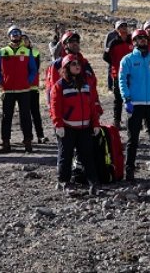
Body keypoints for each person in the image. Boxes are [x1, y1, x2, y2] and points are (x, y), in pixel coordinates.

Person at [50, 53, 101, 196]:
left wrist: (95, 123)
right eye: (73, 64)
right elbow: (54, 107)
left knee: (87, 156)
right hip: (67, 128)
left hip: (84, 128)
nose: (77, 66)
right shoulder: (59, 86)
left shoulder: (85, 84)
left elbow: (91, 106)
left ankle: (93, 183)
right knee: (65, 156)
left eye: (78, 64)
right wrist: (58, 124)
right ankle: (65, 182)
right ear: (66, 67)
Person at [118, 29, 150, 181]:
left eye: (144, 38)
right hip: (135, 104)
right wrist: (126, 99)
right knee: (132, 139)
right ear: (133, 41)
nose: (142, 40)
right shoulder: (127, 60)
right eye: (139, 38)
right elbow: (122, 80)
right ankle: (129, 169)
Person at [0, 25, 37, 154]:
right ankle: (6, 143)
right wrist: (1, 81)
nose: (15, 35)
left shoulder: (27, 51)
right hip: (8, 91)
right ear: (9, 36)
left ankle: (28, 141)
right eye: (13, 33)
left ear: (21, 36)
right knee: (6, 117)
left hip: (23, 90)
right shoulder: (2, 51)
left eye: (17, 33)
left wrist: (28, 81)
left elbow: (33, 69)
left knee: (26, 117)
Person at [104, 20, 134, 129]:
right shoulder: (113, 43)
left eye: (125, 25)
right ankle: (117, 121)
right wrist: (115, 64)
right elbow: (106, 57)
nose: (124, 28)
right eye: (121, 26)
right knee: (118, 99)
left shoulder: (132, 41)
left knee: (133, 97)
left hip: (132, 74)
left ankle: (132, 120)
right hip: (118, 74)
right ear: (117, 30)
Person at [22, 34, 47, 143]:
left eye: (26, 40)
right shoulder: (17, 53)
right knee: (24, 113)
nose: (24, 42)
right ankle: (27, 136)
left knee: (35, 112)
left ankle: (40, 135)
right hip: (22, 88)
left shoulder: (35, 52)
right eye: (22, 40)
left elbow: (34, 68)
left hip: (33, 87)